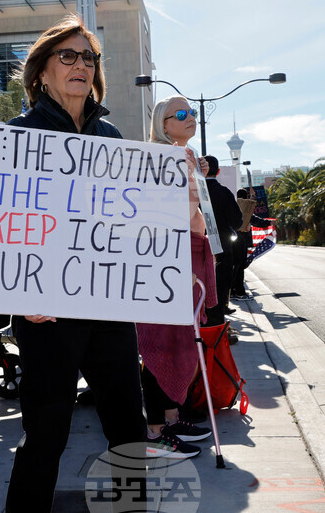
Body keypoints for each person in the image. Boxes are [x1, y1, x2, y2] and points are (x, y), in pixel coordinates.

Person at [4, 15, 147, 513]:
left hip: (109, 307)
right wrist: (18, 294)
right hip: (46, 312)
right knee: (46, 434)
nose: (81, 64)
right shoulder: (16, 135)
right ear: (42, 72)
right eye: (68, 55)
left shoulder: (112, 136)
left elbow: (130, 223)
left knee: (130, 431)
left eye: (89, 57)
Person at [136, 95, 219, 458]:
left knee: (177, 342)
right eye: (181, 114)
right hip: (167, 261)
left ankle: (170, 417)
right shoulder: (160, 159)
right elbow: (166, 215)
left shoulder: (183, 158)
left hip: (184, 257)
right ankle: (155, 431)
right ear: (162, 124)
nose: (190, 119)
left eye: (193, 113)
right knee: (158, 345)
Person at [204, 155, 243, 326]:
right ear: (218, 171)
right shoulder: (224, 192)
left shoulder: (191, 192)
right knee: (219, 288)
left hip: (196, 248)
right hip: (222, 246)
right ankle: (216, 326)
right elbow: (237, 221)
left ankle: (200, 325)